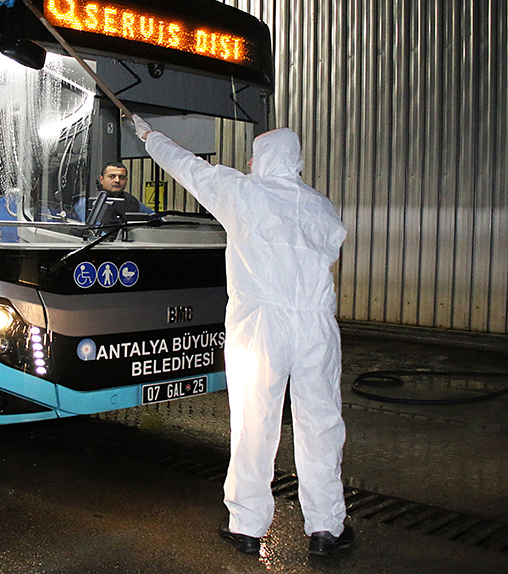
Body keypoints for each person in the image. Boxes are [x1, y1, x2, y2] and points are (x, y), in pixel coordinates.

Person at [131, 115, 352, 557]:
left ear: (264, 159)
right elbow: (330, 244)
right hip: (316, 327)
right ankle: (327, 529)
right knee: (321, 425)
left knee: (255, 421)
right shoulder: (321, 206)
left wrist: (149, 135)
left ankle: (247, 525)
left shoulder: (242, 192)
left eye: (254, 155)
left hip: (261, 325)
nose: (249, 162)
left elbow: (186, 166)